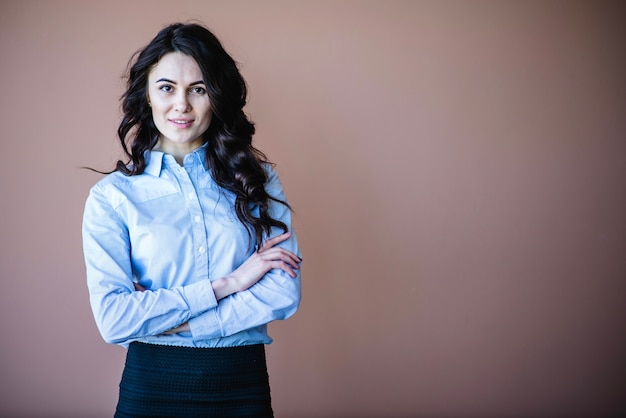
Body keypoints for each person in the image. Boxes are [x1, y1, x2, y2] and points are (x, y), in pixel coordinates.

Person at [82, 22, 302, 417]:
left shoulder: (258, 181)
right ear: (146, 95)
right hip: (152, 385)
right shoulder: (112, 197)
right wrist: (229, 284)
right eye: (166, 87)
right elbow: (114, 320)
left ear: (216, 97)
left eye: (198, 89)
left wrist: (171, 322)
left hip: (242, 383)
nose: (181, 105)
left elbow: (282, 293)